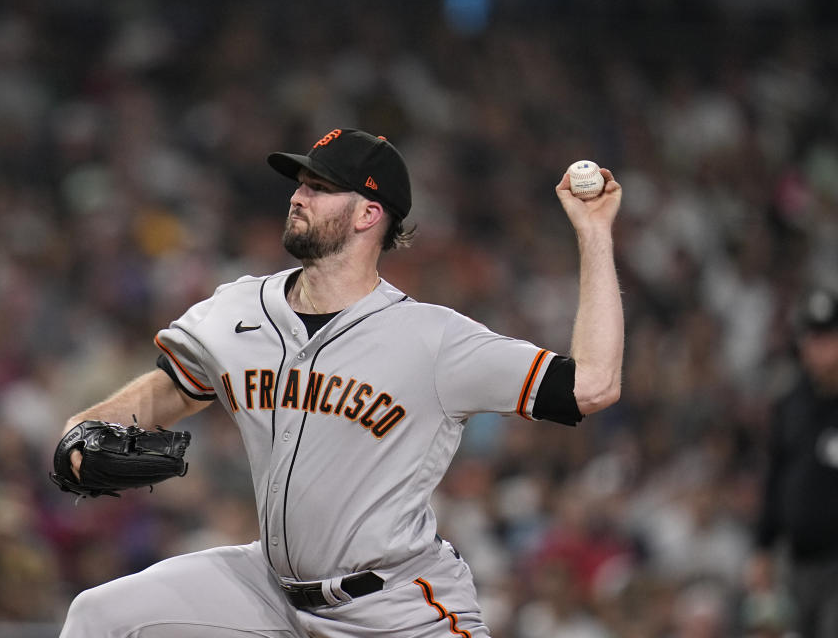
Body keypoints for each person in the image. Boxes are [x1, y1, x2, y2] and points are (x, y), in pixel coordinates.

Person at [56, 128, 624, 637]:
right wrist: (85, 427)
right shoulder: (238, 308)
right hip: (269, 590)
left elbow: (592, 385)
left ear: (368, 214)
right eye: (300, 182)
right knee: (98, 617)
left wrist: (595, 234)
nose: (298, 195)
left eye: (320, 187)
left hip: (396, 607)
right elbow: (172, 389)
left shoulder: (431, 341)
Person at [749, 287, 838, 638]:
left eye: (829, 336)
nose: (821, 348)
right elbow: (776, 479)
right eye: (813, 338)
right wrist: (762, 546)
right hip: (798, 560)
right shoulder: (791, 404)